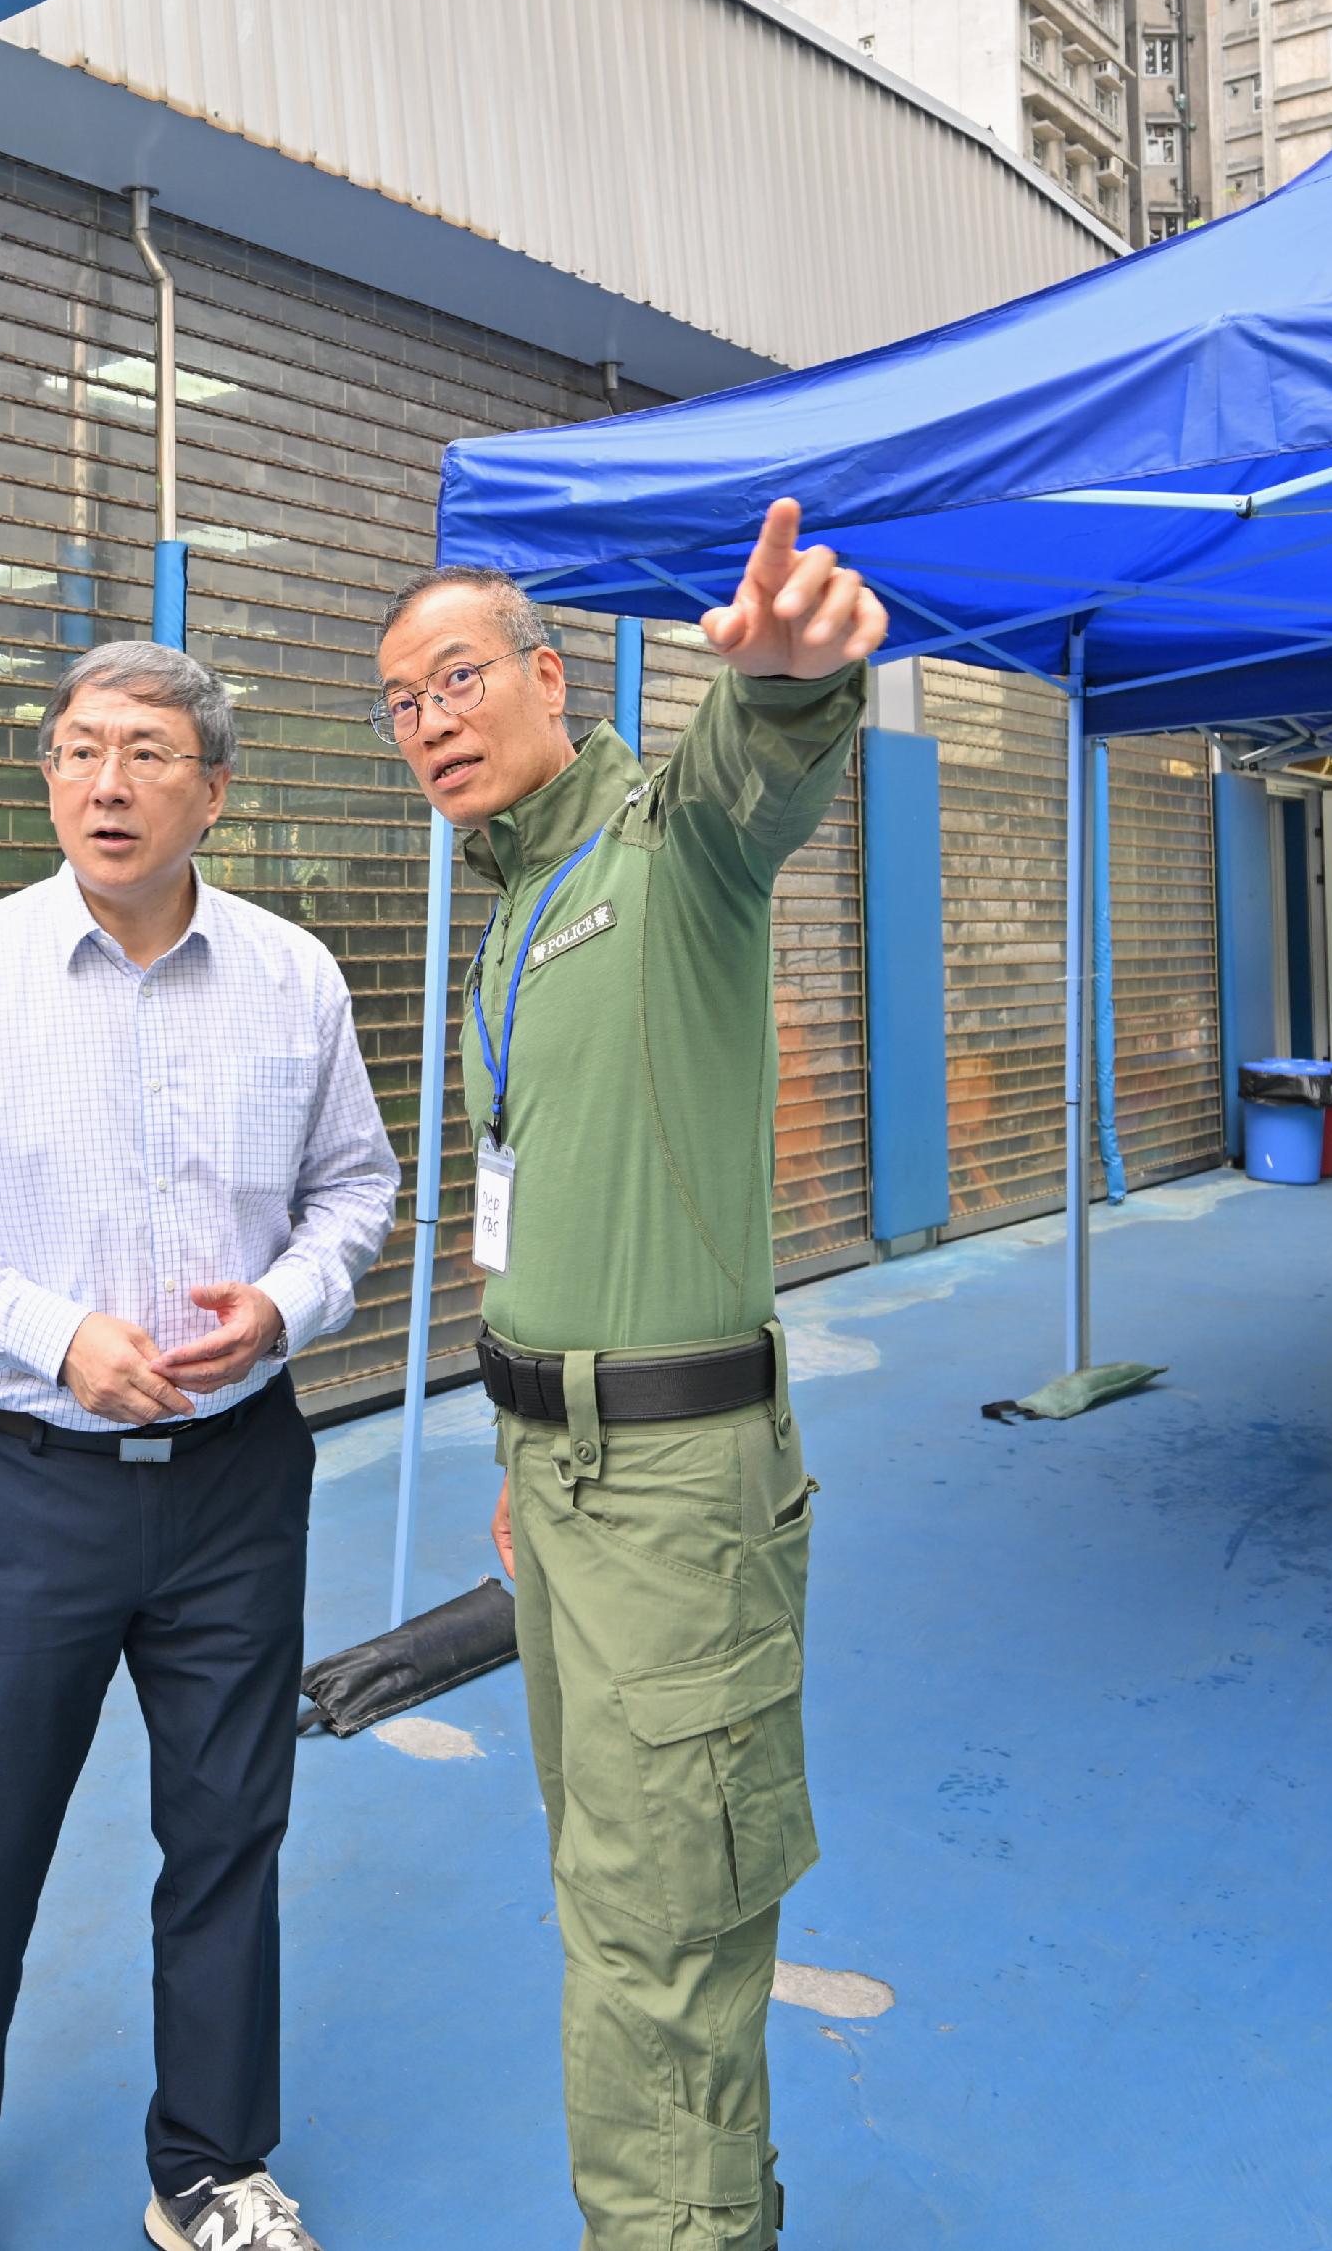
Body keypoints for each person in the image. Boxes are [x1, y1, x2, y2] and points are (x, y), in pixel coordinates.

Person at [0, 642, 397, 2251]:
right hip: (32, 1476)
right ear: (49, 775)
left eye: (148, 751)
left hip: (237, 1475)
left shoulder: (293, 973)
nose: (107, 780)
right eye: (81, 748)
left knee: (229, 1824)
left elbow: (356, 1185)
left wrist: (286, 1305)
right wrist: (56, 1330)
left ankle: (213, 2167)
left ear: (211, 789)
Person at [373, 502, 881, 2251]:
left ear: (547, 676)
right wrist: (524, 1445)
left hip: (678, 1490)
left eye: (458, 678)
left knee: (668, 1919)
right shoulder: (509, 909)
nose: (431, 719)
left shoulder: (663, 849)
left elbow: (761, 771)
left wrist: (795, 682)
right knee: (612, 1892)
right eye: (400, 702)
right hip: (564, 1477)